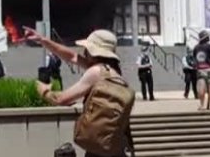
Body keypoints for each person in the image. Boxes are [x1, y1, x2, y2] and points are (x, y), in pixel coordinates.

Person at [24, 27, 134, 157]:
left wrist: (43, 90)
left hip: (97, 151)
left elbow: (61, 99)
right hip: (115, 149)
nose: (84, 52)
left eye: (87, 49)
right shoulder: (115, 75)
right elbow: (72, 57)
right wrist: (43, 40)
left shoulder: (95, 72)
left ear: (93, 51)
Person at [192, 30, 210, 110]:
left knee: (201, 87)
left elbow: (194, 59)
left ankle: (202, 105)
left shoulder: (196, 47)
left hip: (200, 69)